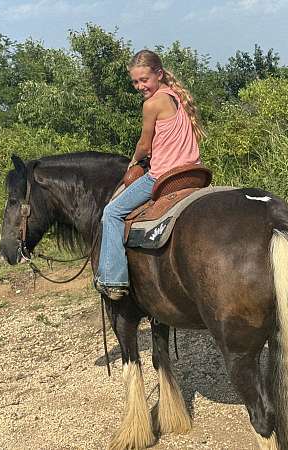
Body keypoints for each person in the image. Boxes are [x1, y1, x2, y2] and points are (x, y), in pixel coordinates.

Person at [94, 49, 205, 300]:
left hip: (163, 175)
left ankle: (113, 279)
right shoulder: (177, 95)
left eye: (144, 79)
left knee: (111, 212)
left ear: (158, 74)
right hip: (194, 171)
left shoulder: (152, 104)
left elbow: (145, 145)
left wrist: (133, 162)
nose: (139, 86)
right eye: (135, 81)